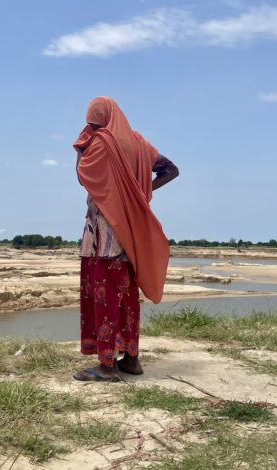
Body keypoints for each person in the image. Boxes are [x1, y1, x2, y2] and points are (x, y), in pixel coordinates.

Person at [73, 96, 179, 382]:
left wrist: (83, 143)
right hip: (131, 233)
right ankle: (131, 359)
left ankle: (107, 365)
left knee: (104, 294)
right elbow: (171, 169)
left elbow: (83, 176)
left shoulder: (100, 143)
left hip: (105, 234)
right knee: (126, 295)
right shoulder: (140, 143)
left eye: (92, 123)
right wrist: (141, 193)